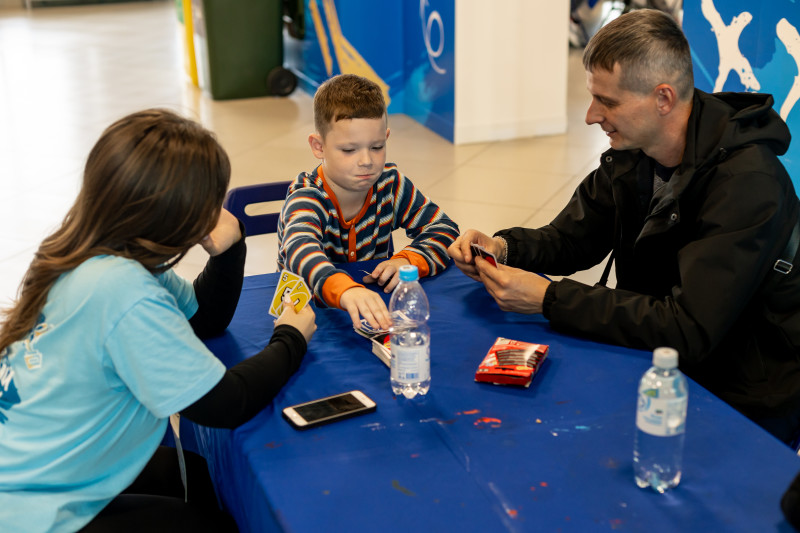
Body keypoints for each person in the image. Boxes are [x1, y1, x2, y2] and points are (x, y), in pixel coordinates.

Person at [448, 9, 800, 446]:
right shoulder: (635, 149)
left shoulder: (748, 185)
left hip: (743, 395)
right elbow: (572, 238)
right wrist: (503, 247)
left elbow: (688, 328)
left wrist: (549, 299)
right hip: (655, 357)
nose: (591, 116)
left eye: (608, 102)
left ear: (663, 99)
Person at [0, 109, 316, 532]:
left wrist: (229, 248)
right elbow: (225, 403)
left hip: (30, 471)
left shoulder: (95, 248)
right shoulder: (122, 290)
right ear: (174, 215)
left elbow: (203, 317)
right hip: (34, 516)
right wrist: (290, 339)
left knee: (197, 477)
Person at [278, 73, 459, 330]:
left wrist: (407, 261)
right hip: (311, 321)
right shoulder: (307, 196)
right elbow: (300, 250)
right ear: (319, 147)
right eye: (349, 150)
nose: (367, 161)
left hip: (376, 314)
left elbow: (444, 229)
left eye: (376, 147)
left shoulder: (390, 184)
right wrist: (346, 291)